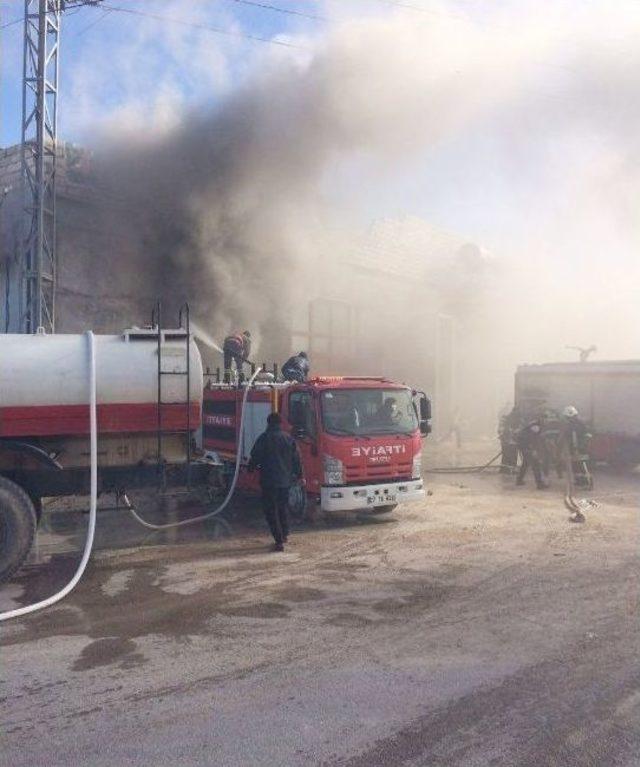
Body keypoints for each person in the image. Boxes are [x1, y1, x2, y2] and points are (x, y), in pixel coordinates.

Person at [248, 412, 304, 552]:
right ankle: (284, 534)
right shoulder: (288, 439)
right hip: (285, 482)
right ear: (280, 423)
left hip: (269, 482)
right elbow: (296, 459)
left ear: (268, 423)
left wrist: (250, 469)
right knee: (282, 508)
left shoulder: (264, 438)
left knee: (271, 511)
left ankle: (279, 541)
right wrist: (300, 476)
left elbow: (255, 456)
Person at [560, 405, 593, 488]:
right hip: (583, 447)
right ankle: (585, 481)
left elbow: (573, 437)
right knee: (583, 464)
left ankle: (583, 482)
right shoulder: (581, 423)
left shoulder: (572, 426)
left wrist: (575, 449)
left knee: (577, 465)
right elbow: (588, 435)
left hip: (577, 448)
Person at [516, 418, 548, 489]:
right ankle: (539, 484)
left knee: (525, 464)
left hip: (524, 446)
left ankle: (519, 480)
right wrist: (533, 450)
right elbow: (532, 439)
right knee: (535, 465)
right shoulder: (536, 426)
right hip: (527, 447)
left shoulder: (534, 425)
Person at [498, 406, 520, 474]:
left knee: (509, 455)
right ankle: (507, 469)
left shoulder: (514, 419)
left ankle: (507, 469)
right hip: (508, 441)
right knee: (509, 455)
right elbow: (501, 430)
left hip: (510, 441)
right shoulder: (506, 419)